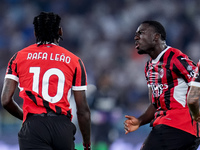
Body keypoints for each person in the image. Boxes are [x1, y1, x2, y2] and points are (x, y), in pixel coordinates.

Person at [1, 12, 91, 150]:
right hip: (62, 127)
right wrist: (86, 144)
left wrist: (25, 117)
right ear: (60, 31)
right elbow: (82, 110)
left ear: (36, 33)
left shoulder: (18, 57)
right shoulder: (75, 61)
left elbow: (6, 100)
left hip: (34, 126)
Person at [124, 20, 200, 150]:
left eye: (141, 33)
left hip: (177, 125)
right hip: (175, 128)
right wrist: (139, 121)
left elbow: (197, 83)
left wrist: (195, 112)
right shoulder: (148, 66)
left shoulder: (176, 58)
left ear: (156, 37)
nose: (136, 37)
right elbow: (155, 105)